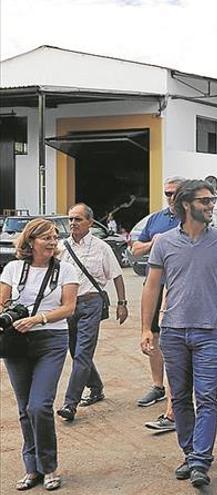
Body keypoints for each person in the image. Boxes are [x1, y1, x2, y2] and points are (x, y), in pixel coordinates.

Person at [140, 179, 217, 488]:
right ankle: (189, 452)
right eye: (205, 201)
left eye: (212, 200)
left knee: (207, 397)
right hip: (173, 332)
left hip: (209, 331)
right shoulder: (164, 242)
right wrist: (146, 327)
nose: (211, 205)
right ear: (186, 205)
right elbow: (152, 286)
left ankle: (200, 461)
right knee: (181, 397)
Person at [0, 218, 79, 491]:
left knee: (39, 406)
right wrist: (11, 313)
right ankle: (31, 468)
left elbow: (69, 308)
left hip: (51, 340)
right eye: (46, 237)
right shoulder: (12, 268)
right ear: (31, 241)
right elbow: (1, 303)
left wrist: (38, 319)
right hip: (16, 341)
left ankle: (49, 467)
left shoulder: (66, 270)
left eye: (55, 237)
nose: (53, 242)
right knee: (24, 409)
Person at [56, 203, 128, 423]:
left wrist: (122, 302)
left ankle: (70, 404)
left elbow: (116, 275)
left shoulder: (101, 247)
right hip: (67, 307)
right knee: (75, 350)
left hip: (91, 304)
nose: (73, 223)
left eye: (78, 219)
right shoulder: (61, 247)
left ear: (90, 222)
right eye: (70, 219)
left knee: (83, 353)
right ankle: (95, 387)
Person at [131, 175, 183, 433]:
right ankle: (158, 386)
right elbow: (136, 249)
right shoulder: (156, 219)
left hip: (179, 286)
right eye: (168, 193)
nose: (171, 197)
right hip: (155, 282)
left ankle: (178, 401)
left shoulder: (192, 217)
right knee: (154, 336)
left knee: (176, 339)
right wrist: (157, 241)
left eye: (175, 193)